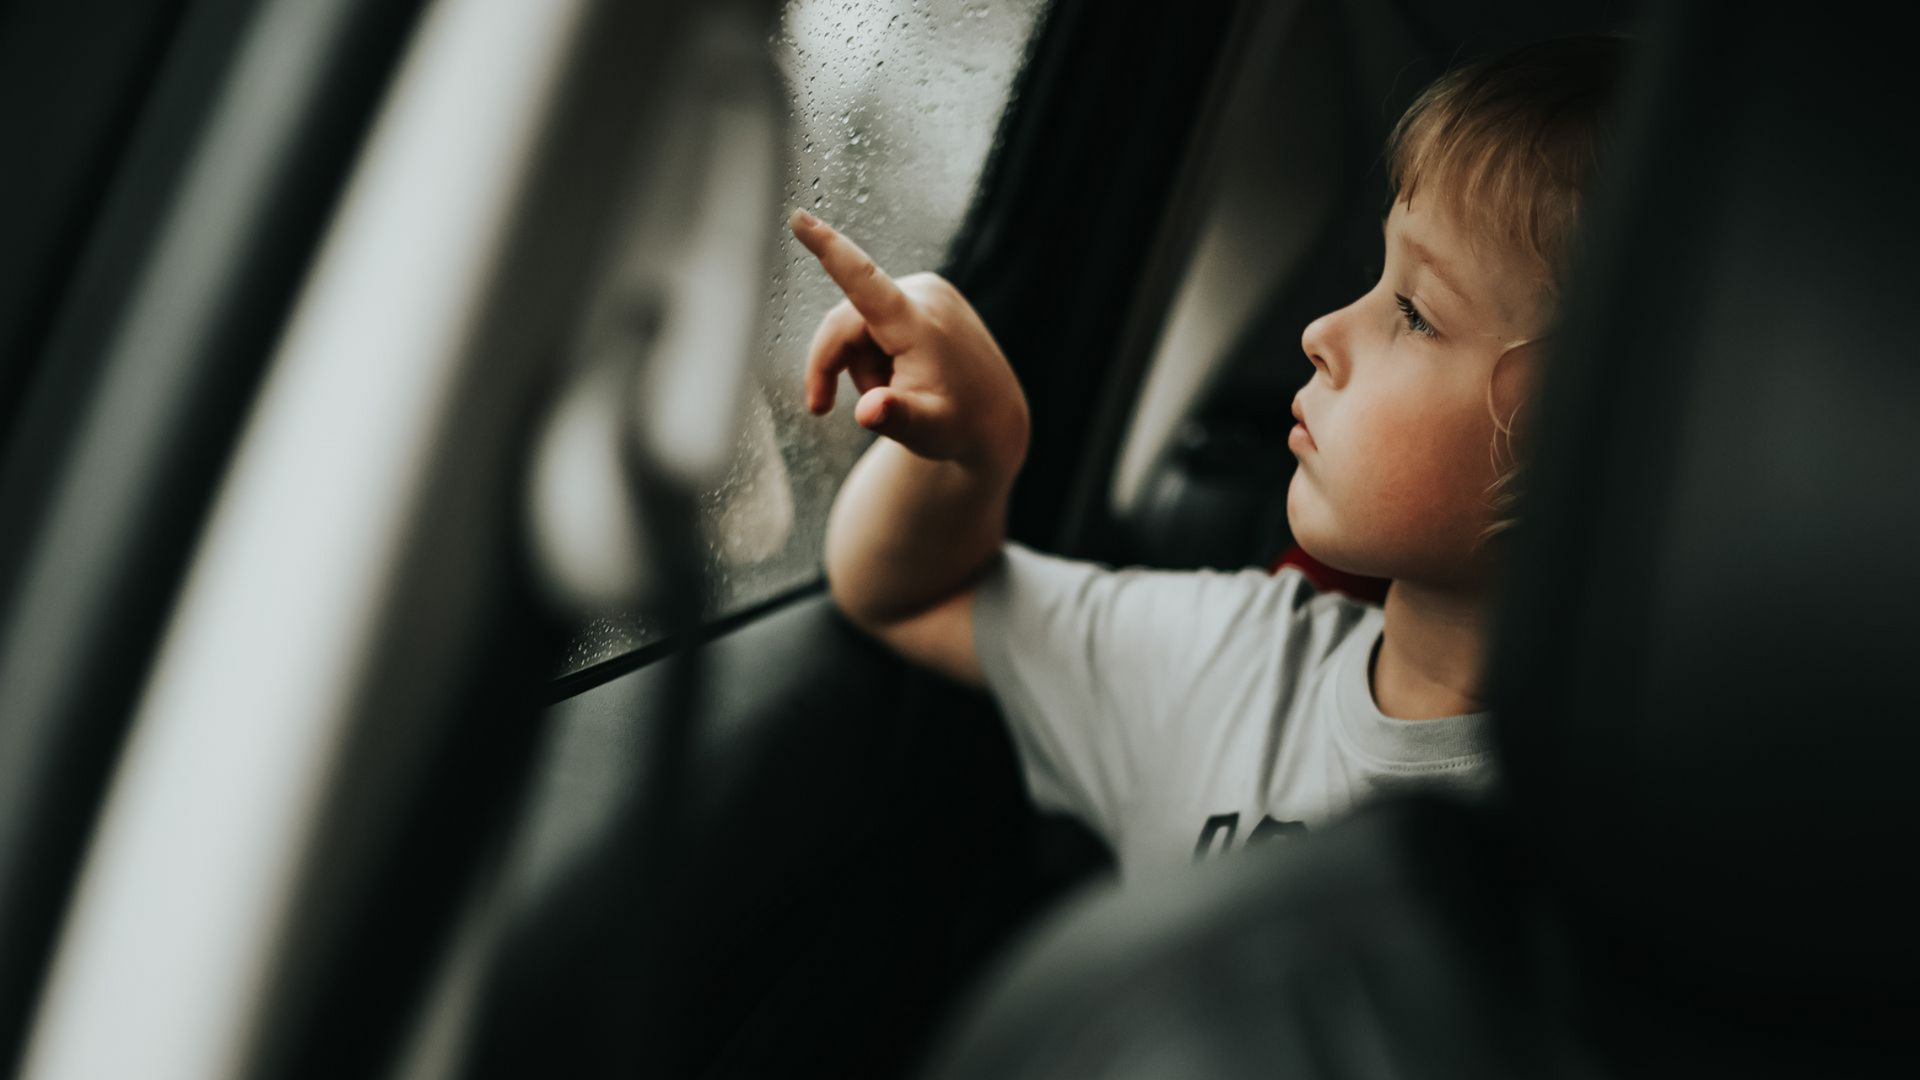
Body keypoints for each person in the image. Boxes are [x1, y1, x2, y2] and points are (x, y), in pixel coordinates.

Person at [787, 35, 1627, 878]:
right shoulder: (1228, 663)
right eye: (1377, 275)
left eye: (1414, 311)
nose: (1321, 333)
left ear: (1579, 429)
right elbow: (901, 592)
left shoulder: (1649, 851)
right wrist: (981, 446)